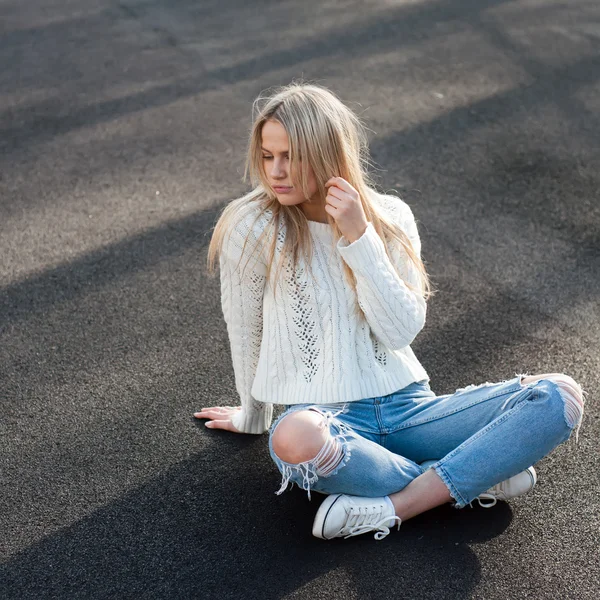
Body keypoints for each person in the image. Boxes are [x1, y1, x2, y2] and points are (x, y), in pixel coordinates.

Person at [195, 81, 587, 541]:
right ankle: (470, 474)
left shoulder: (390, 216)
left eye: (291, 156)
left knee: (560, 396)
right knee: (292, 439)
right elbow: (246, 327)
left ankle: (399, 506)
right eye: (267, 155)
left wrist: (360, 238)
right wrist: (253, 414)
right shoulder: (253, 223)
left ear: (326, 153)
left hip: (411, 410)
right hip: (330, 422)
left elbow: (400, 330)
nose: (276, 171)